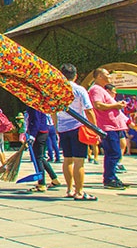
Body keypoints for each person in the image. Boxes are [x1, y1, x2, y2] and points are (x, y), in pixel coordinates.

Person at [51, 64, 98, 201]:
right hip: (78, 127)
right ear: (75, 75)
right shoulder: (79, 90)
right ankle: (79, 191)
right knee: (79, 160)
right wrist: (94, 128)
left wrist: (56, 126)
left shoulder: (56, 90)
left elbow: (53, 111)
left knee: (67, 159)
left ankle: (69, 189)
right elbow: (88, 110)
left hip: (63, 128)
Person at [88, 69, 129, 190]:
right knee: (113, 153)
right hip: (107, 126)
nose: (109, 76)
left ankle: (112, 177)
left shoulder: (101, 90)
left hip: (113, 126)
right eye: (107, 74)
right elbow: (98, 105)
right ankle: (109, 178)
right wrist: (116, 105)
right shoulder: (96, 89)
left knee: (114, 153)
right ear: (100, 76)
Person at [24, 107, 60, 192]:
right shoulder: (37, 105)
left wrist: (32, 135)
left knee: (38, 159)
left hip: (39, 133)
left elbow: (36, 121)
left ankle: (42, 184)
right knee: (40, 158)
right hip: (42, 131)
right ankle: (54, 179)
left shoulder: (35, 106)